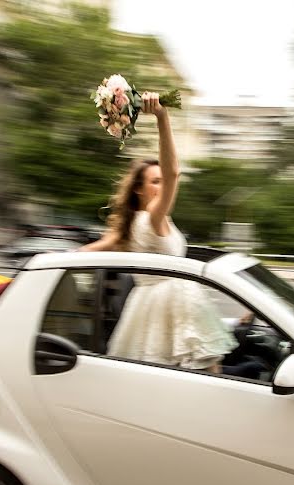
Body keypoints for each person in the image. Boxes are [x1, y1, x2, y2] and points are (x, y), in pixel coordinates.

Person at [79, 92, 237, 373]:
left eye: (162, 181)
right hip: (171, 309)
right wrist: (162, 118)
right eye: (155, 181)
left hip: (157, 310)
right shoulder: (151, 219)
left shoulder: (132, 226)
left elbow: (88, 252)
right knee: (208, 378)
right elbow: (174, 171)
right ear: (139, 189)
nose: (163, 186)